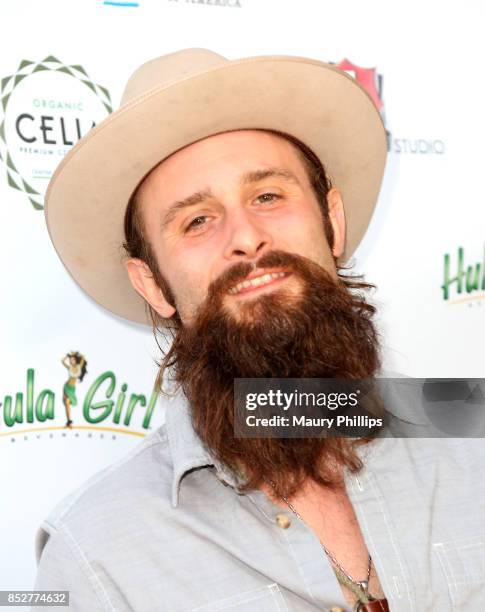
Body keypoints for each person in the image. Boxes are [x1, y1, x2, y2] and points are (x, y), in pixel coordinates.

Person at [34, 49, 485, 611]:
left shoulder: (473, 442)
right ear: (151, 284)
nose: (245, 237)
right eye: (197, 220)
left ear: (332, 222)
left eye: (268, 196)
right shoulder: (94, 557)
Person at [61, 351, 87, 428]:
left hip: (72, 389)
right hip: (66, 386)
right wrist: (67, 355)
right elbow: (62, 361)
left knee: (67, 403)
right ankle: (69, 421)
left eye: (72, 360)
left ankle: (69, 422)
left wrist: (75, 353)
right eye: (70, 360)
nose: (70, 361)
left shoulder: (79, 366)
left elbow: (83, 356)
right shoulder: (69, 367)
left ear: (75, 360)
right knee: (66, 404)